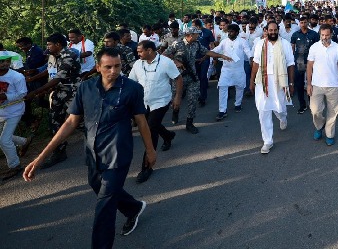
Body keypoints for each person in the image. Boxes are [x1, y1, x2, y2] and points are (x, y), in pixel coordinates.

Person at [24, 48, 156, 248]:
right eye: (108, 67)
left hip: (118, 156)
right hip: (93, 153)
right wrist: (40, 157)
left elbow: (142, 122)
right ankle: (133, 208)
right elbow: (70, 123)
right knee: (96, 185)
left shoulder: (132, 89)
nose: (113, 71)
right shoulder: (85, 88)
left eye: (117, 66)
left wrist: (150, 150)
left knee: (104, 207)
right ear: (98, 67)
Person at [24, 33, 81, 168]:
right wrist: (41, 84)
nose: (48, 47)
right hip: (58, 92)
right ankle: (59, 152)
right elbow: (50, 72)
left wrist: (36, 91)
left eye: (49, 44)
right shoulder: (52, 56)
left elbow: (59, 77)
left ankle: (103, 142)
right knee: (54, 121)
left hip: (71, 92)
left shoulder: (69, 55)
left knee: (79, 122)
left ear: (58, 45)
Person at [129, 40, 182, 183]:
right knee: (154, 124)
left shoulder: (165, 62)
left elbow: (178, 79)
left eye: (140, 51)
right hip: (143, 102)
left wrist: (177, 97)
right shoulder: (138, 64)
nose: (137, 53)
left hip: (161, 101)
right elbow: (131, 82)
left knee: (151, 128)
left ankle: (147, 167)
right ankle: (168, 135)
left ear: (150, 51)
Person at [163, 27, 232, 134]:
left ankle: (189, 123)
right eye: (196, 34)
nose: (198, 36)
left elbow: (207, 52)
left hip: (192, 77)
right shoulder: (177, 44)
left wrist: (221, 56)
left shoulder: (197, 44)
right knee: (175, 99)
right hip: (178, 77)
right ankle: (175, 112)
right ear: (190, 35)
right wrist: (175, 61)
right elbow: (164, 55)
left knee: (193, 99)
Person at [250, 21, 295, 153]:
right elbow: (256, 63)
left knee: (279, 107)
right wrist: (251, 81)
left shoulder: (285, 44)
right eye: (270, 30)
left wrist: (291, 83)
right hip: (262, 81)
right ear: (266, 30)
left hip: (279, 81)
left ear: (278, 30)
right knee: (263, 110)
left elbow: (291, 64)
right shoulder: (260, 44)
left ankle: (283, 117)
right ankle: (267, 141)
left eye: (275, 30)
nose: (273, 32)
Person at [306, 24, 338, 146]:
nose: (324, 37)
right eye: (322, 35)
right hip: (316, 85)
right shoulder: (314, 47)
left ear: (331, 34)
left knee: (333, 112)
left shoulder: (337, 48)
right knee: (315, 111)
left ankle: (329, 134)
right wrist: (308, 84)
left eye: (327, 35)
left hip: (333, 86)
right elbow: (309, 66)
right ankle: (319, 126)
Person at [0, 55, 29, 180]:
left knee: (4, 141)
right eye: (1, 61)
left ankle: (15, 166)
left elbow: (23, 93)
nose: (5, 63)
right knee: (3, 136)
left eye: (7, 61)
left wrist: (6, 97)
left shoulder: (17, 76)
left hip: (14, 110)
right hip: (1, 111)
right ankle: (24, 142)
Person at [213, 24, 250, 120]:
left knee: (240, 87)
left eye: (231, 32)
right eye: (228, 32)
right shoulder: (224, 41)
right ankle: (222, 110)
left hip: (238, 70)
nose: (229, 33)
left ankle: (238, 104)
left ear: (237, 32)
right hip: (226, 70)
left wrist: (253, 59)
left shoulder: (242, 41)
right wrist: (208, 52)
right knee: (222, 87)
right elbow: (217, 50)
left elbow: (248, 52)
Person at [290, 16, 319, 114]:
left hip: (311, 62)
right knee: (299, 84)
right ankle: (302, 105)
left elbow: (317, 48)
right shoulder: (295, 35)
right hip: (299, 63)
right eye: (301, 22)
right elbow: (292, 49)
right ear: (299, 23)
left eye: (305, 22)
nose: (303, 24)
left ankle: (312, 103)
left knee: (311, 83)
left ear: (308, 23)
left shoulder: (314, 34)